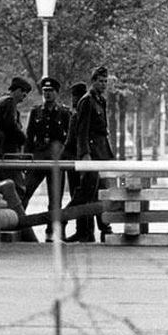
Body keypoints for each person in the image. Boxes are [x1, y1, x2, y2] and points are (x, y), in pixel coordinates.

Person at [22, 77, 71, 242]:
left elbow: (69, 138)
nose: (47, 95)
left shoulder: (64, 113)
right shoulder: (36, 112)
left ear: (56, 93)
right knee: (25, 192)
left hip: (56, 160)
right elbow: (29, 137)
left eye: (50, 92)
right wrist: (26, 159)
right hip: (38, 159)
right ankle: (21, 226)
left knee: (55, 199)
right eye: (45, 92)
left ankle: (51, 232)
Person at [73, 66, 114, 241]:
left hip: (101, 152)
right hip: (92, 154)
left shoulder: (100, 100)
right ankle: (83, 229)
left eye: (106, 81)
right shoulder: (87, 101)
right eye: (100, 81)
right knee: (88, 193)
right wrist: (85, 154)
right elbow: (82, 130)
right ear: (93, 81)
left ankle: (102, 228)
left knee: (100, 192)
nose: (103, 84)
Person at [63, 81, 96, 242]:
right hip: (83, 158)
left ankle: (66, 219)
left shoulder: (77, 115)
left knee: (79, 195)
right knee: (87, 196)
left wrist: (61, 159)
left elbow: (71, 140)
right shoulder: (88, 108)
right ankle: (85, 231)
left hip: (76, 160)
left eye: (74, 96)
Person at [0, 76, 32, 200]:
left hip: (1, 153)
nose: (24, 96)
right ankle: (19, 218)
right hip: (8, 153)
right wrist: (23, 138)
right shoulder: (9, 102)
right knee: (17, 189)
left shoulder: (2, 100)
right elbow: (10, 126)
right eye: (23, 92)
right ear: (16, 90)